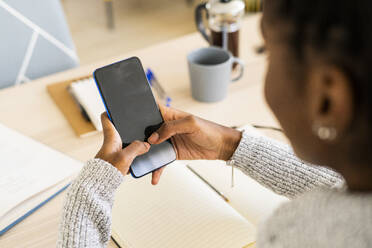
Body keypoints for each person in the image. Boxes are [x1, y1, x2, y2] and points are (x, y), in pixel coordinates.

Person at [57, 0, 372, 247]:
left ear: (328, 98)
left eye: (267, 52)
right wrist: (229, 144)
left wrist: (90, 193)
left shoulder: (304, 235)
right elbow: (344, 189)